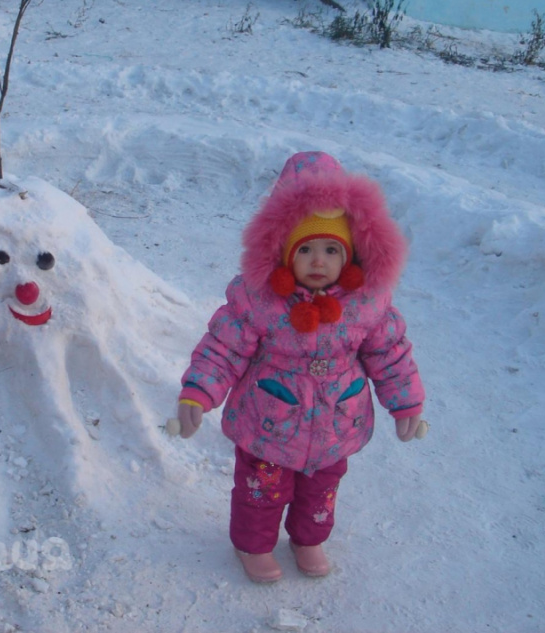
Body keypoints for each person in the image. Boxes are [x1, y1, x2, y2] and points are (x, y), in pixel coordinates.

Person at [175, 151, 426, 582]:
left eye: (331, 250)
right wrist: (199, 391)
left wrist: (406, 404)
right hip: (268, 423)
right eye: (305, 249)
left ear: (350, 254)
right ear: (282, 250)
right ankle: (252, 546)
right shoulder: (258, 299)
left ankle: (309, 539)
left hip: (335, 426)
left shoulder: (366, 302)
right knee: (260, 492)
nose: (318, 261)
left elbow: (390, 353)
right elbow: (224, 348)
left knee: (321, 491)